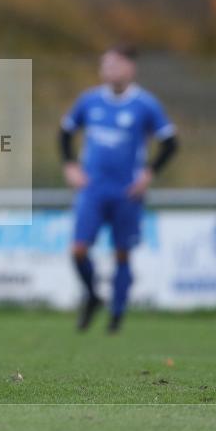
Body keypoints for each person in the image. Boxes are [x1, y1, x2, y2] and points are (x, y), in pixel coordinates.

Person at [59, 45, 178, 333]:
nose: (108, 70)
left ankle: (117, 315)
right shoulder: (89, 101)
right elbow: (65, 133)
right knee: (78, 250)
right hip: (93, 189)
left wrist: (149, 173)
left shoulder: (145, 105)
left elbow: (170, 143)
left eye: (114, 65)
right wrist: (70, 165)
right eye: (105, 65)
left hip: (127, 192)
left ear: (129, 68)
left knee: (122, 254)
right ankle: (92, 296)